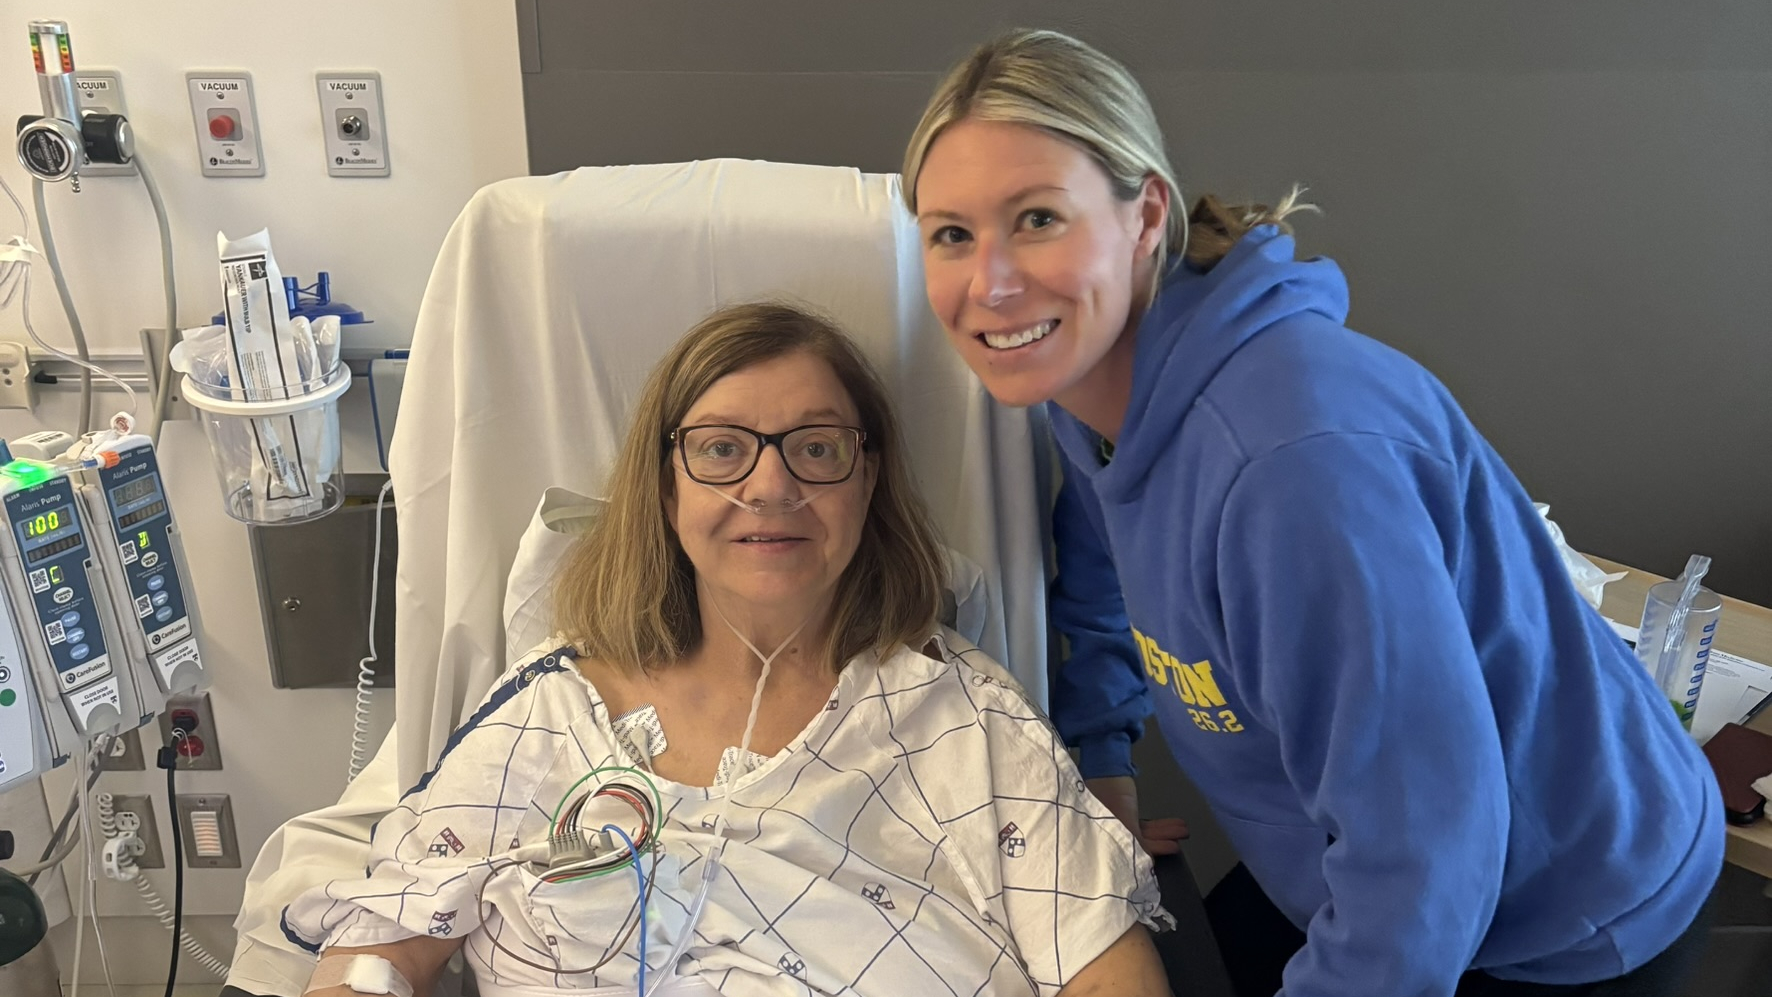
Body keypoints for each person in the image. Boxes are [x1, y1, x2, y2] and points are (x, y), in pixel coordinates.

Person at [900, 27, 1723, 997]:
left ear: (1144, 215)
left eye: (1036, 218)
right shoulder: (1086, 388)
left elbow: (1425, 854)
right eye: (950, 233)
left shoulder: (1288, 468)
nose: (989, 283)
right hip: (1346, 857)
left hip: (1559, 914)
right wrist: (1099, 756)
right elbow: (1097, 562)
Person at [284, 302, 1172, 996]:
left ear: (868, 476)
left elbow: (1108, 970)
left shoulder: (965, 724)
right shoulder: (547, 717)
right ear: (666, 486)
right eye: (721, 449)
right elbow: (378, 951)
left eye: (817, 447)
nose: (770, 485)